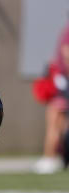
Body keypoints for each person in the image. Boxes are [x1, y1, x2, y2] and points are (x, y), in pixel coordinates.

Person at [35, 18, 69, 174]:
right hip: (64, 82)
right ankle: (50, 157)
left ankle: (55, 156)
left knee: (59, 123)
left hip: (63, 81)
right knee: (56, 122)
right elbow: (66, 53)